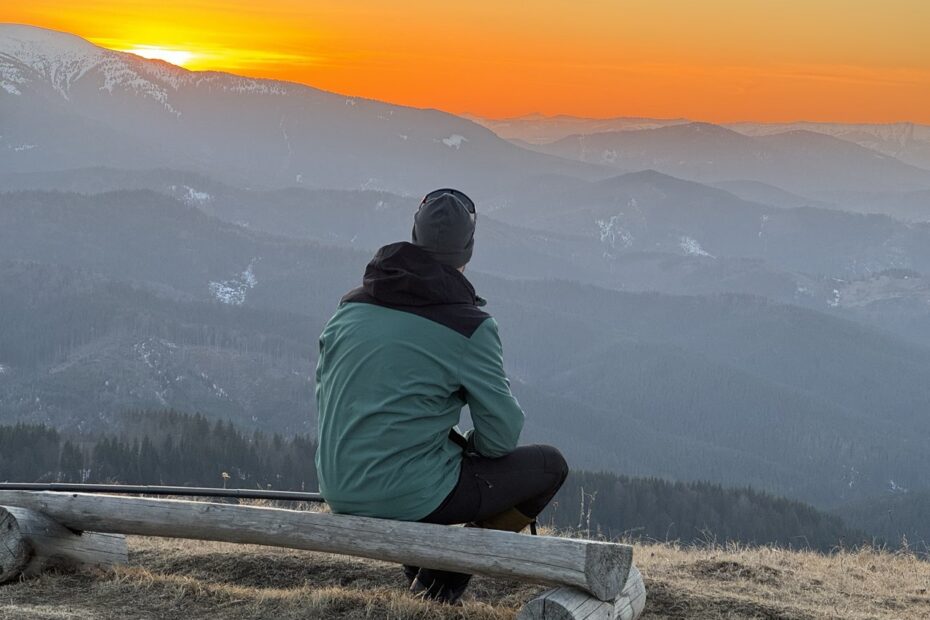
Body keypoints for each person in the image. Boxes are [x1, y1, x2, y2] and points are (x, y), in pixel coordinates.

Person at [314, 188, 569, 604]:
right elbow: (501, 437)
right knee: (547, 466)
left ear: (413, 235)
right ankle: (440, 583)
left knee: (423, 469)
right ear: (468, 250)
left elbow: (332, 392)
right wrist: (471, 447)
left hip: (338, 483)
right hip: (405, 493)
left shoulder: (351, 306)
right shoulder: (468, 326)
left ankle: (427, 579)